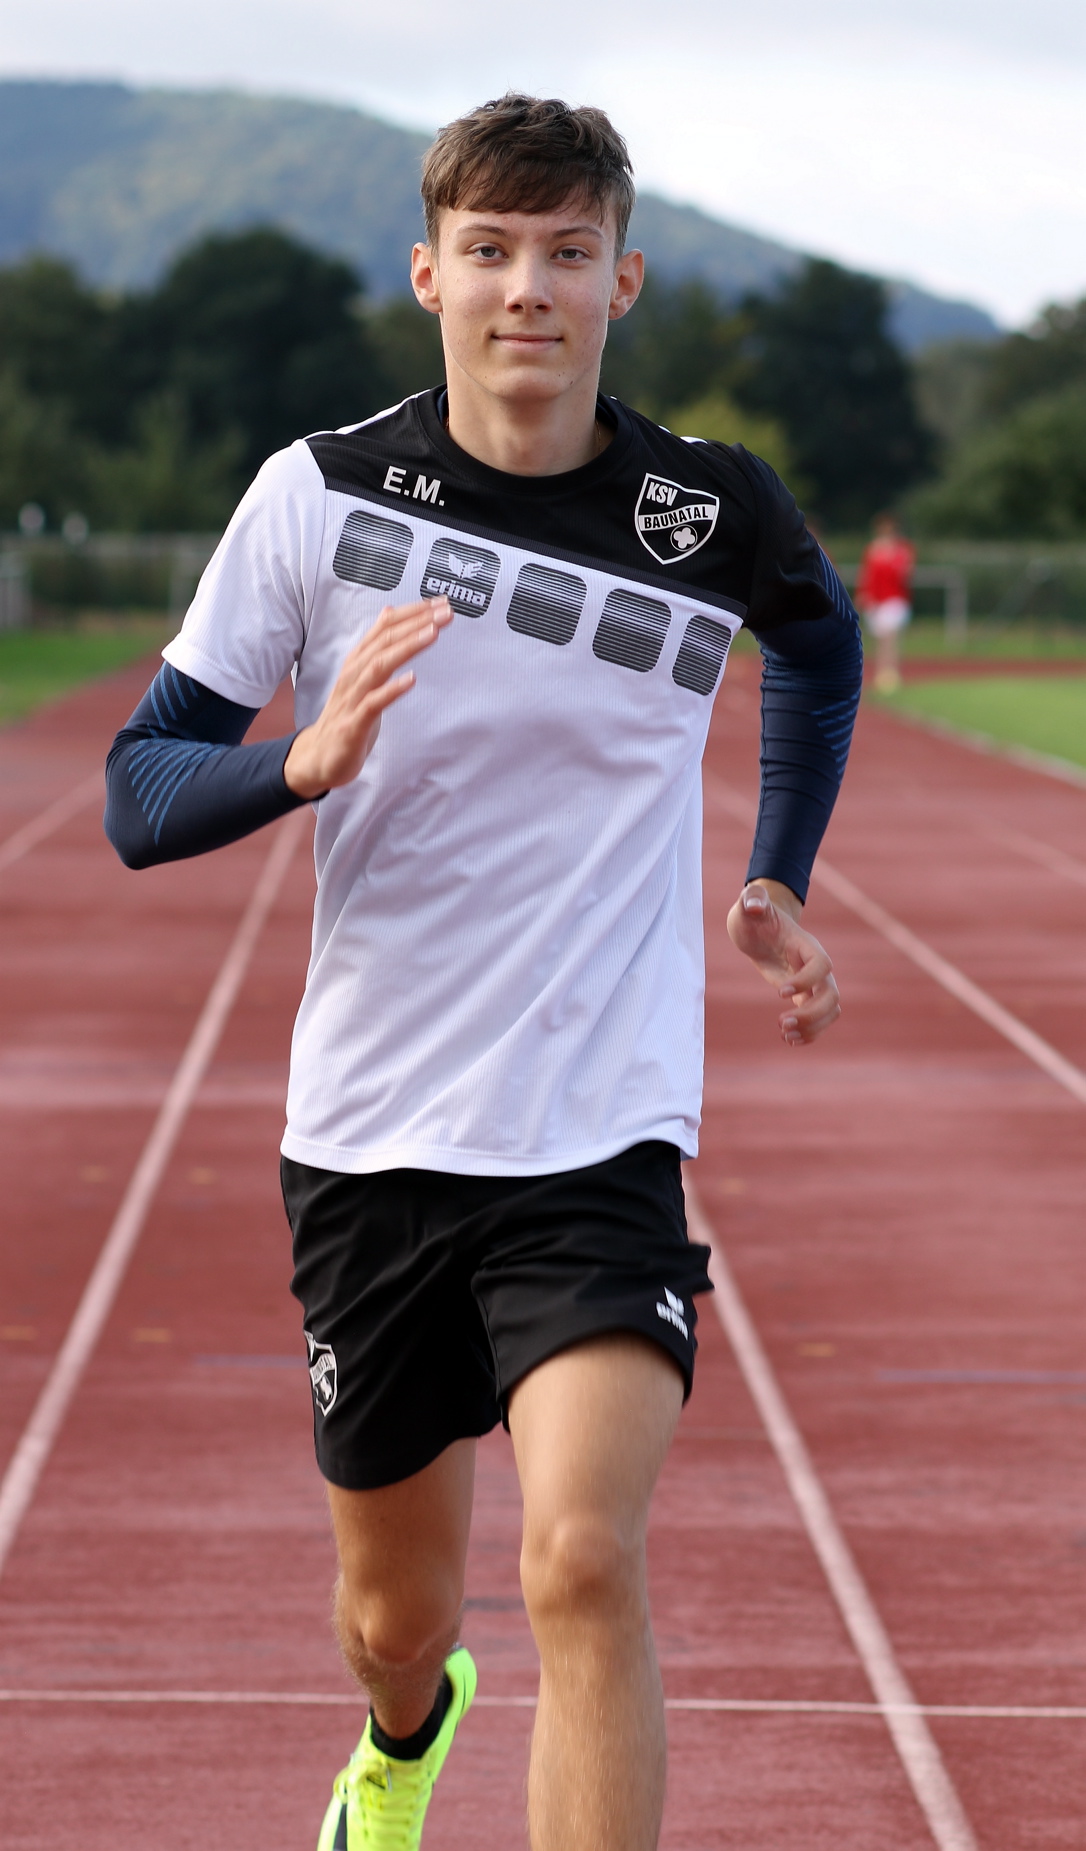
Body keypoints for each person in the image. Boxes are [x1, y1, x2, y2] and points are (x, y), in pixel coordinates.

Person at [104, 94, 862, 1851]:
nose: (531, 286)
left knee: (583, 1559)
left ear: (622, 281)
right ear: (430, 272)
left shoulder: (707, 509)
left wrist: (774, 871)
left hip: (598, 1132)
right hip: (370, 1138)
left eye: (569, 252)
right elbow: (141, 787)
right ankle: (400, 1737)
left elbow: (819, 657)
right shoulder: (315, 498)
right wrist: (296, 764)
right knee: (398, 1619)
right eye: (494, 250)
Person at [855, 512, 915, 692]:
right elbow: (866, 574)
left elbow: (906, 574)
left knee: (891, 635)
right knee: (881, 639)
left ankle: (890, 672)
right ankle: (882, 671)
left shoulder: (902, 549)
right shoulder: (872, 549)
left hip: (895, 599)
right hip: (876, 600)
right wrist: (863, 594)